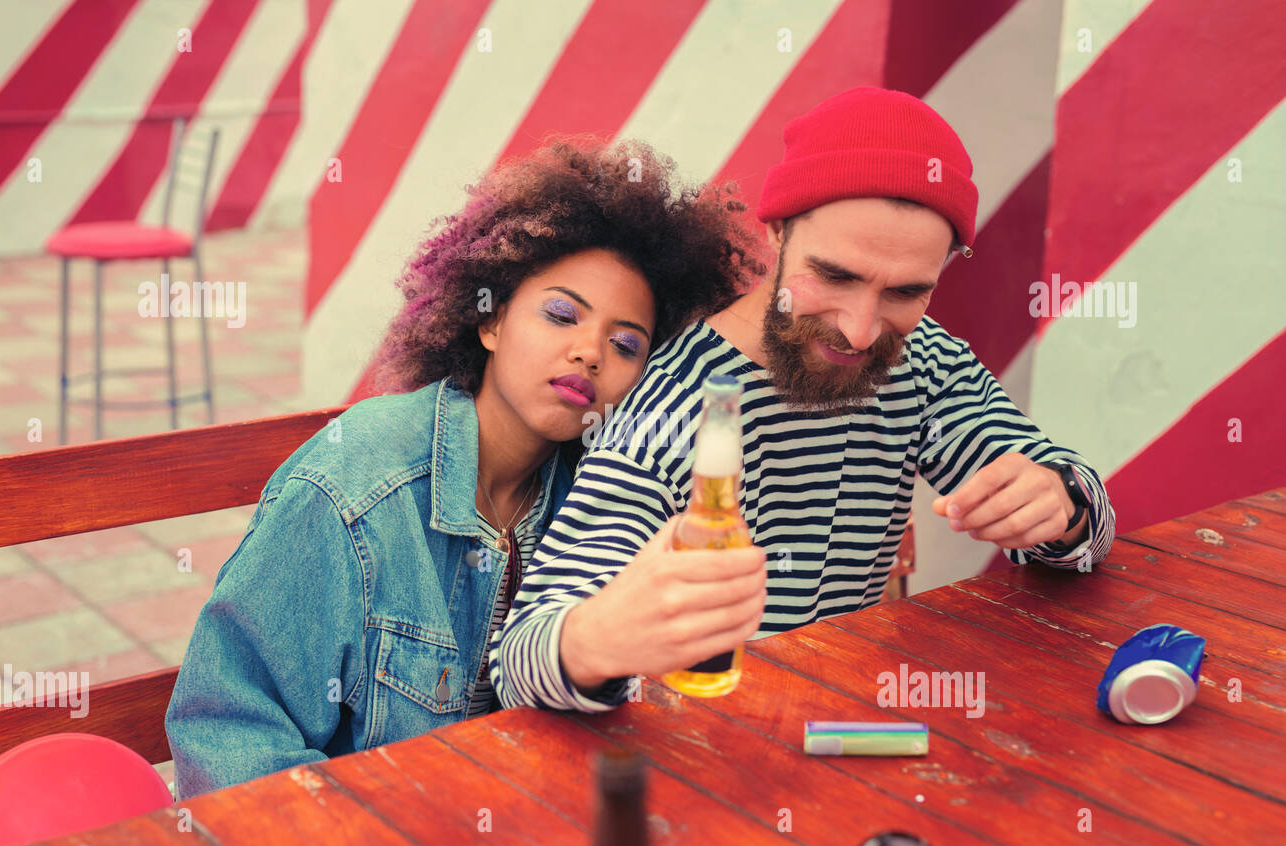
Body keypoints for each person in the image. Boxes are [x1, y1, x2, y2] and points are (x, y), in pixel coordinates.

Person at [164, 139, 766, 798]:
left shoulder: (601, 493)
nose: (590, 352)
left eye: (626, 344)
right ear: (491, 321)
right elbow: (230, 732)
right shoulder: (353, 487)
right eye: (561, 314)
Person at [491, 87, 1118, 710]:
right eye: (835, 276)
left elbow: (1086, 528)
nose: (861, 329)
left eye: (905, 293)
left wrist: (1061, 506)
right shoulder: (677, 405)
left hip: (849, 727)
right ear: (775, 232)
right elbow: (521, 661)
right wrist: (598, 639)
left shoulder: (925, 359)